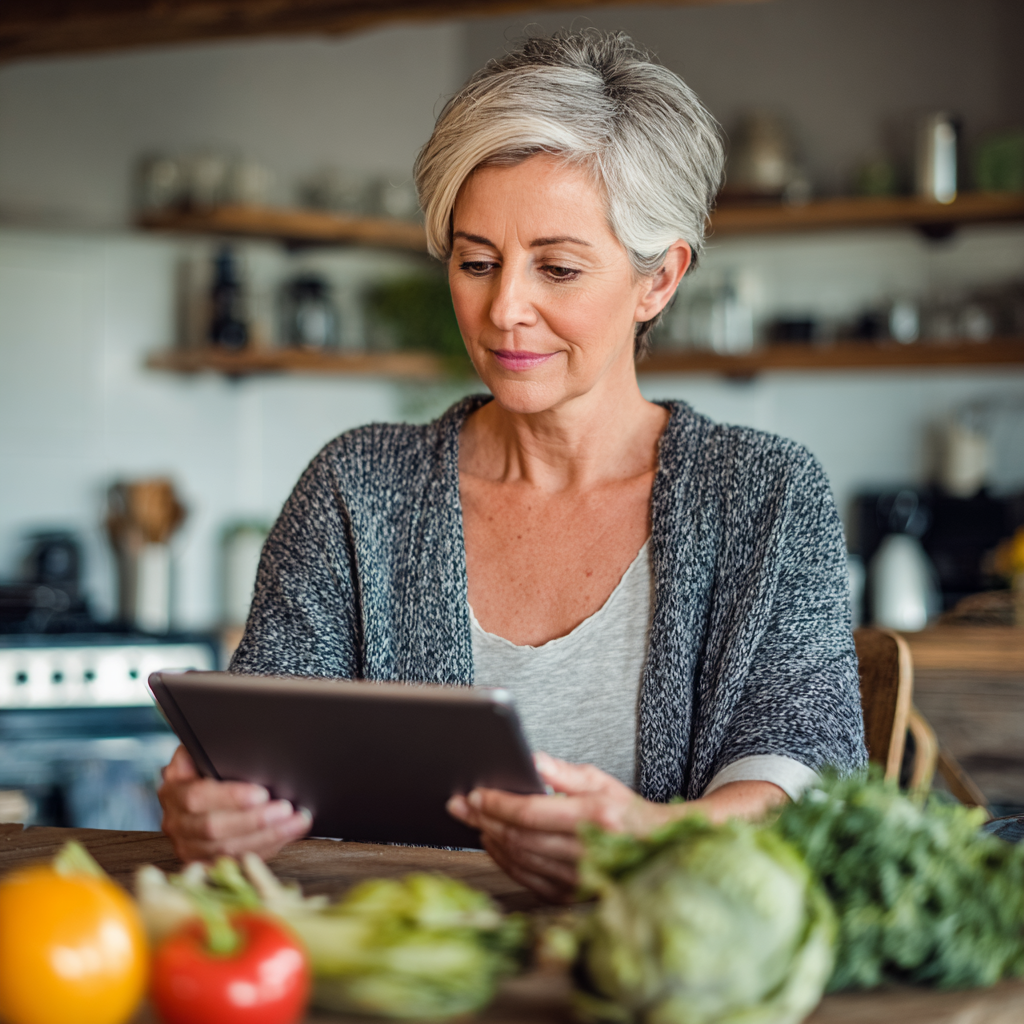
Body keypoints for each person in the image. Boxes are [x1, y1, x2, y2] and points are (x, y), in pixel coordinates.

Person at [159, 30, 866, 902]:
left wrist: (650, 836)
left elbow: (807, 777)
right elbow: (258, 746)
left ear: (658, 280)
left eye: (557, 268)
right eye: (477, 262)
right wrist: (214, 804)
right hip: (405, 960)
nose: (505, 309)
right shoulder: (357, 489)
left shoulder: (767, 495)